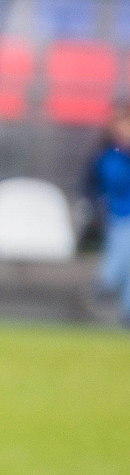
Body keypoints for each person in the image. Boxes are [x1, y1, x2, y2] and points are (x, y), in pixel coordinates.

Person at [87, 103, 130, 326]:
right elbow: (105, 186)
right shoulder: (108, 157)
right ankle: (106, 282)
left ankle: (124, 307)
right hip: (119, 216)